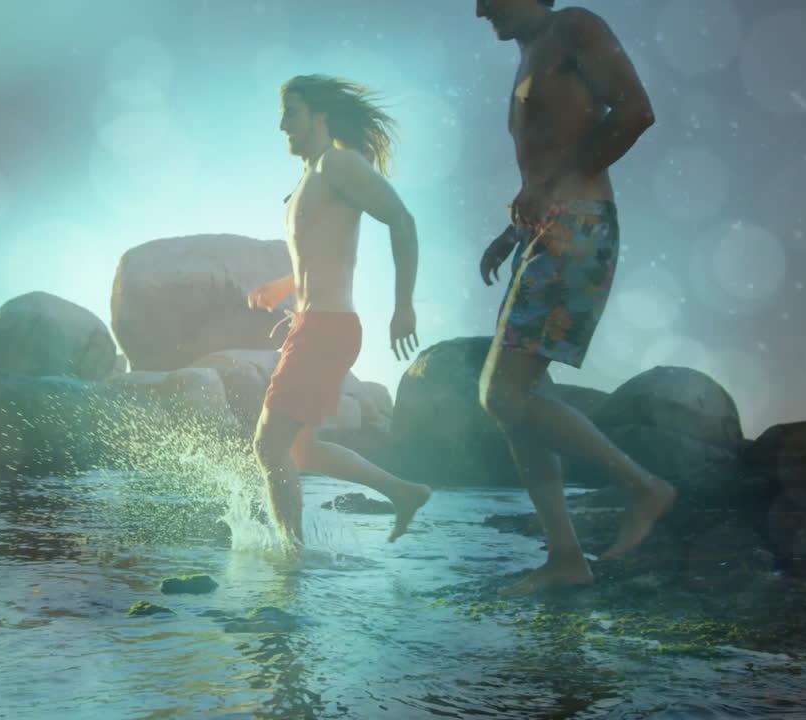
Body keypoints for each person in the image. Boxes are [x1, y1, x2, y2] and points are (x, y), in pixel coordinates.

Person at [473, 0, 676, 594]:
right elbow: (545, 162)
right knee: (517, 403)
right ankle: (564, 556)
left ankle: (644, 488)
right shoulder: (527, 55)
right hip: (543, 233)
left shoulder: (574, 28)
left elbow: (636, 112)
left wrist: (553, 192)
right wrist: (511, 233)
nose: (479, 7)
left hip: (579, 226)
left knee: (500, 393)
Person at [248, 74, 431, 551]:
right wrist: (284, 287)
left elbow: (402, 220)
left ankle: (291, 560)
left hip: (327, 328)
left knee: (268, 447)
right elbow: (322, 254)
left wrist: (403, 304)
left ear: (320, 116)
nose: (282, 124)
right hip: (312, 325)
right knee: (299, 450)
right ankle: (403, 492)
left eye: (292, 113)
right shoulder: (310, 176)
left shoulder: (338, 164)